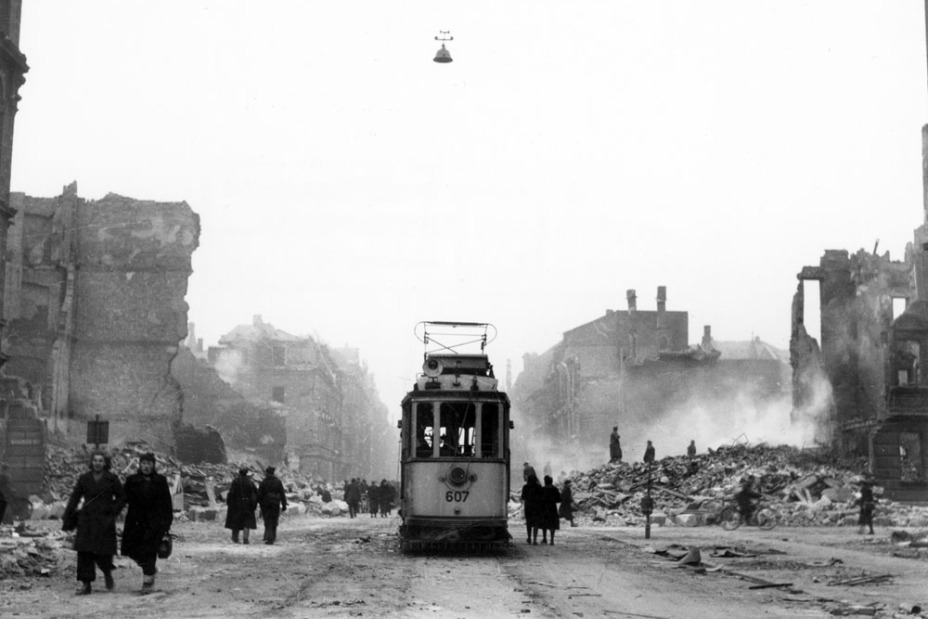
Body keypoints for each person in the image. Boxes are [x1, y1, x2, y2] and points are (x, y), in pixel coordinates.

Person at [62, 450, 126, 595]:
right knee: (84, 552)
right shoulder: (84, 478)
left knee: (104, 553)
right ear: (91, 462)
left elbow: (122, 497)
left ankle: (107, 572)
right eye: (95, 460)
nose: (97, 463)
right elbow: (75, 498)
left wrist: (112, 510)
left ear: (105, 463)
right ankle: (86, 584)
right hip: (87, 519)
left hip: (105, 519)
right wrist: (68, 516)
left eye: (100, 461)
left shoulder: (111, 478)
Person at [121, 452, 173, 593]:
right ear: (139, 465)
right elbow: (123, 499)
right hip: (135, 523)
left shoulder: (160, 481)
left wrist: (167, 524)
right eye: (143, 463)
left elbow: (167, 504)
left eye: (149, 464)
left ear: (153, 465)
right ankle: (149, 570)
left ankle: (147, 582)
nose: (146, 466)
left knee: (150, 552)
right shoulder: (132, 480)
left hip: (154, 523)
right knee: (132, 551)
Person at [225, 468, 258, 544]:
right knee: (247, 522)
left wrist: (229, 502)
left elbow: (231, 493)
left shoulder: (235, 481)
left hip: (236, 504)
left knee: (236, 520)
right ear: (246, 473)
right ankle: (245, 539)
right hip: (247, 504)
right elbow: (255, 493)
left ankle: (235, 538)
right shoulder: (250, 482)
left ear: (239, 473)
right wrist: (254, 504)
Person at [257, 466, 287, 544]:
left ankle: (269, 538)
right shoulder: (278, 482)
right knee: (274, 520)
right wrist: (284, 504)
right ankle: (273, 537)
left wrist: (259, 503)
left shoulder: (263, 482)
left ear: (267, 473)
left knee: (267, 520)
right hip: (275, 503)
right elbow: (282, 493)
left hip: (266, 504)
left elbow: (259, 495)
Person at [520, 474, 543, 545]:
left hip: (528, 506)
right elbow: (542, 496)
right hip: (537, 506)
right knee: (536, 523)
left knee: (529, 522)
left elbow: (523, 497)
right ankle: (535, 540)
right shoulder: (538, 487)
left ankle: (529, 538)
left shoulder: (525, 487)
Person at [539, 475, 562, 545]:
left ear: (545, 482)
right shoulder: (555, 489)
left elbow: (539, 498)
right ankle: (552, 540)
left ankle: (544, 538)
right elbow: (559, 499)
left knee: (544, 523)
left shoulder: (543, 489)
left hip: (544, 508)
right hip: (552, 508)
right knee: (552, 524)